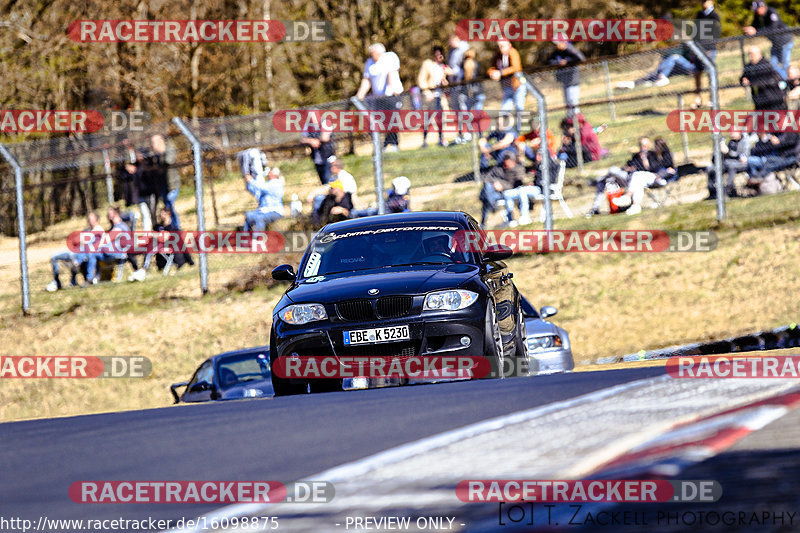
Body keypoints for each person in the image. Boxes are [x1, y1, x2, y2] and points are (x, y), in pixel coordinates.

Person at [355, 43, 404, 151]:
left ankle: (393, 144)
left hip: (391, 95)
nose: (372, 55)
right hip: (378, 98)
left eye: (373, 53)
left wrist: (392, 90)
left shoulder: (390, 57)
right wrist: (359, 95)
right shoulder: (369, 63)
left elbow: (391, 74)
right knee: (380, 121)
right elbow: (367, 80)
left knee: (392, 119)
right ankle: (385, 144)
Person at [45, 212, 103, 292]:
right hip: (74, 251)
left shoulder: (99, 230)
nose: (88, 220)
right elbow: (75, 241)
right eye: (88, 219)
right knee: (54, 257)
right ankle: (57, 281)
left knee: (73, 259)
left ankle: (73, 280)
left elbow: (91, 246)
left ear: (96, 220)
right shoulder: (86, 230)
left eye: (91, 219)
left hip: (81, 255)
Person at [84, 206, 141, 286]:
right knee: (91, 254)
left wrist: (95, 246)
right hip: (108, 252)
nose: (108, 215)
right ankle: (90, 278)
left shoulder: (121, 226)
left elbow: (108, 239)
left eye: (110, 213)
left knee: (94, 250)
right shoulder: (113, 227)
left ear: (116, 214)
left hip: (118, 253)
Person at [612, 137, 663, 215]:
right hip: (639, 179)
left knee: (637, 176)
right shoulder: (636, 156)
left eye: (645, 145)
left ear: (648, 146)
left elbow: (652, 168)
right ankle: (635, 205)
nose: (643, 147)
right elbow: (631, 166)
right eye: (641, 145)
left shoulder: (652, 155)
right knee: (638, 181)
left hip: (653, 177)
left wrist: (644, 158)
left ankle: (627, 196)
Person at [744, 1, 793, 79]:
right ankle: (782, 80)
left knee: (784, 64)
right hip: (775, 43)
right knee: (773, 64)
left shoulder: (771, 12)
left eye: (757, 9)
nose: (756, 11)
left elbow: (772, 28)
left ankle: (786, 83)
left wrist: (756, 31)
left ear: (763, 7)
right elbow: (755, 27)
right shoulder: (758, 16)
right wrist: (750, 30)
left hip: (784, 42)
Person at [706, 131, 756, 199]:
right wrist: (722, 151)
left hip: (741, 164)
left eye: (733, 132)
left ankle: (728, 191)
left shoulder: (745, 141)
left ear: (738, 133)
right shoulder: (731, 142)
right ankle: (713, 192)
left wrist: (729, 152)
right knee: (710, 168)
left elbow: (744, 157)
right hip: (728, 163)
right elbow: (723, 158)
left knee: (731, 166)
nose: (731, 134)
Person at [479, 152, 524, 228]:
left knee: (486, 196)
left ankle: (491, 207)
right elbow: (486, 177)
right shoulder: (499, 168)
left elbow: (516, 185)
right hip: (496, 194)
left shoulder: (518, 169)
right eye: (505, 161)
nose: (506, 163)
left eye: (508, 161)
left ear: (513, 161)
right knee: (487, 187)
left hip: (510, 192)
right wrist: (495, 182)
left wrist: (502, 185)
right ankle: (491, 206)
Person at [417, 45, 449, 148]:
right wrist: (427, 91)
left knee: (440, 119)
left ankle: (441, 139)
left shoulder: (443, 66)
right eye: (436, 53)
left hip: (440, 96)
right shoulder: (427, 64)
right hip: (430, 97)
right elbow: (421, 80)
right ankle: (424, 141)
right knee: (427, 119)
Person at [488, 40, 525, 124]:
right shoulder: (498, 56)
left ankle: (519, 127)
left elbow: (516, 67)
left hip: (517, 85)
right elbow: (492, 67)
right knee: (505, 109)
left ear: (509, 45)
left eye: (502, 46)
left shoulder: (513, 52)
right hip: (506, 86)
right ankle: (505, 129)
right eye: (499, 46)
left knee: (519, 107)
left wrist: (500, 73)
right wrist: (492, 73)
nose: (500, 48)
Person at [741, 46, 787, 111]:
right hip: (758, 100)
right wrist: (744, 80)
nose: (750, 56)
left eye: (752, 54)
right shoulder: (749, 67)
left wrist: (750, 82)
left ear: (759, 54)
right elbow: (743, 77)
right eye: (749, 54)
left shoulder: (766, 65)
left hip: (772, 98)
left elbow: (762, 80)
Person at [149, 134, 181, 229]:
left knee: (170, 205)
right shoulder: (157, 156)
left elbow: (169, 161)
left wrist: (161, 156)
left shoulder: (168, 150)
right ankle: (171, 226)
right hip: (163, 185)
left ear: (160, 142)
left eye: (153, 143)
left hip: (172, 184)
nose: (152, 146)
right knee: (167, 206)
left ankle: (176, 227)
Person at [548, 40, 585, 117]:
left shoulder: (570, 49)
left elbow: (581, 58)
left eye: (557, 43)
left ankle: (576, 120)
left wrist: (567, 60)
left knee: (573, 102)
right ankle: (571, 121)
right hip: (564, 81)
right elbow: (550, 61)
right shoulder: (556, 52)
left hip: (573, 80)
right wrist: (558, 63)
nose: (556, 46)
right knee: (568, 103)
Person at [445, 33, 471, 143]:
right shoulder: (451, 52)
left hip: (462, 86)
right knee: (456, 111)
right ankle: (460, 133)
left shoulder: (465, 50)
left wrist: (453, 72)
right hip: (453, 86)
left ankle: (468, 133)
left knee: (464, 109)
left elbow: (466, 68)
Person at [243, 165, 285, 231]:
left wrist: (251, 181)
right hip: (263, 211)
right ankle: (246, 238)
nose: (268, 174)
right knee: (248, 215)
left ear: (273, 174)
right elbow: (257, 192)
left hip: (274, 211)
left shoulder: (276, 183)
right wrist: (248, 182)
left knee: (259, 218)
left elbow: (261, 187)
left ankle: (259, 239)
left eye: (269, 172)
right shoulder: (268, 184)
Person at [300, 114, 335, 185]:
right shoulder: (308, 126)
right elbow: (302, 139)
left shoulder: (325, 123)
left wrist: (315, 140)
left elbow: (325, 138)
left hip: (328, 156)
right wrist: (311, 141)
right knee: (323, 181)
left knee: (329, 180)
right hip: (316, 158)